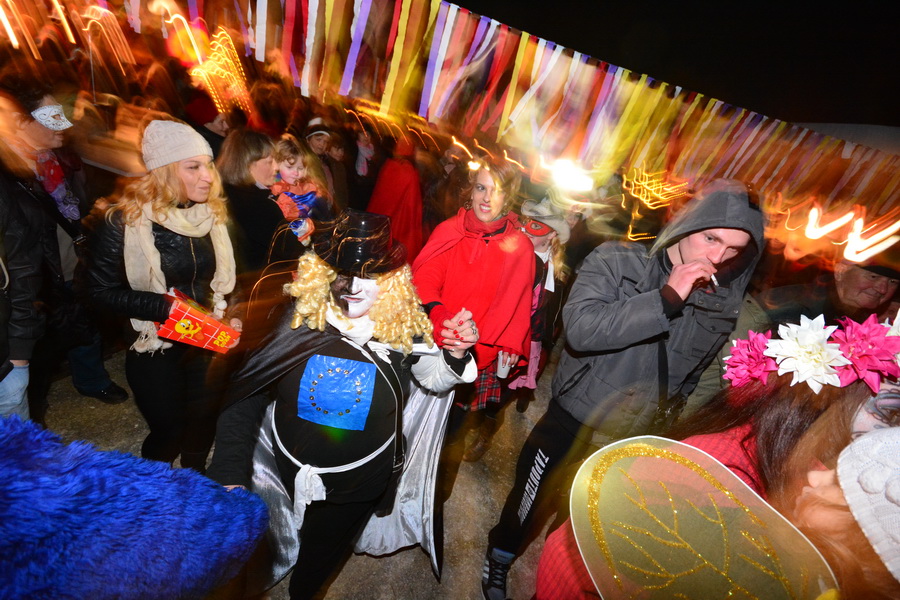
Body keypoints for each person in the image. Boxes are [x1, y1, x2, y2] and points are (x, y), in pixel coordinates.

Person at [480, 178, 765, 600]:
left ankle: (557, 576)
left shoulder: (722, 300)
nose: (718, 256)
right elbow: (581, 330)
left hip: (633, 433)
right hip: (575, 414)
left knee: (583, 516)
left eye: (733, 250)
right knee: (531, 495)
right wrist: (667, 297)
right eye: (711, 238)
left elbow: (693, 373)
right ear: (690, 224)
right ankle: (501, 553)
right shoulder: (618, 260)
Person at [207, 210, 477, 599]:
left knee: (320, 560)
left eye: (367, 275)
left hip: (359, 483)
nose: (351, 286)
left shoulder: (403, 325)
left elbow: (434, 381)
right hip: (283, 472)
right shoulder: (294, 319)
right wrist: (228, 470)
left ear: (390, 279)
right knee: (262, 548)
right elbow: (245, 397)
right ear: (322, 271)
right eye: (340, 271)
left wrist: (454, 355)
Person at [534, 313, 900, 599]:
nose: (888, 436)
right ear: (832, 403)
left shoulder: (826, 471)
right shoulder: (715, 470)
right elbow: (580, 559)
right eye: (886, 414)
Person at [86, 119, 241, 472]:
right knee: (169, 429)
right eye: (193, 167)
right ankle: (157, 491)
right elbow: (98, 292)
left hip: (207, 335)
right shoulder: (124, 221)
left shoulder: (212, 214)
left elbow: (230, 278)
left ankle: (195, 483)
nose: (207, 176)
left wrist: (234, 311)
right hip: (154, 344)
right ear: (164, 171)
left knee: (204, 420)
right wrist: (163, 306)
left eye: (209, 165)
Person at [0, 72, 128, 423]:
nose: (64, 124)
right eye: (51, 116)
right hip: (37, 279)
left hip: (72, 260)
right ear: (21, 123)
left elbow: (79, 203)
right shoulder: (9, 173)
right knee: (39, 347)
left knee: (84, 322)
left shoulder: (62, 159)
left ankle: (91, 380)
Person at [412, 156, 535, 478]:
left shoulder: (519, 245)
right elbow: (425, 277)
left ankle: (434, 498)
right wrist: (439, 314)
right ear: (471, 190)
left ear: (508, 197)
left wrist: (494, 347)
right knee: (413, 426)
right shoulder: (449, 229)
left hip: (477, 358)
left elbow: (515, 306)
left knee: (448, 442)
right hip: (431, 340)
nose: (486, 198)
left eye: (496, 191)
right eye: (481, 187)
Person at [462, 197, 571, 462]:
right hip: (496, 332)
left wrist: (542, 345)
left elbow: (552, 316)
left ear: (552, 234)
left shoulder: (559, 273)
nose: (525, 229)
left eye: (538, 225)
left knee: (501, 394)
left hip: (526, 343)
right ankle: (467, 423)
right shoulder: (508, 251)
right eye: (527, 222)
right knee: (477, 384)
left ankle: (486, 433)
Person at [217, 128, 279, 275]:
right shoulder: (259, 207)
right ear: (248, 164)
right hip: (260, 284)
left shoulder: (220, 196)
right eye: (270, 161)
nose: (276, 167)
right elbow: (289, 251)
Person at [367, 136, 425, 262]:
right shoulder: (409, 170)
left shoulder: (389, 166)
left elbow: (380, 197)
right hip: (401, 222)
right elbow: (414, 203)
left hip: (382, 219)